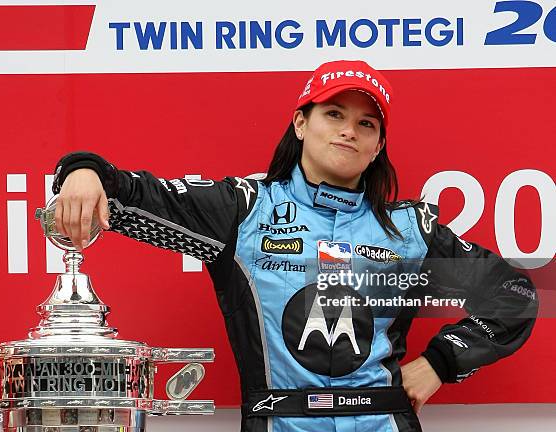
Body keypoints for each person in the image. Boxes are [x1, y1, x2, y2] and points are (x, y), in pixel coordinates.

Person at [51, 60, 537, 432]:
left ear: (378, 146)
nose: (349, 129)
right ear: (301, 123)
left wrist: (439, 363)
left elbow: (516, 296)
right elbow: (136, 196)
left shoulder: (408, 229)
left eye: (367, 123)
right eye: (334, 113)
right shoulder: (243, 210)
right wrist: (83, 170)